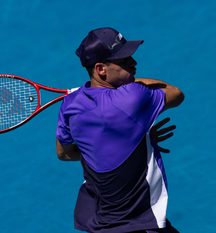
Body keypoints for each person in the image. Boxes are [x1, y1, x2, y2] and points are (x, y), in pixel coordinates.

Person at [56, 27, 184, 233]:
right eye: (124, 61)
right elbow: (175, 94)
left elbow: (64, 153)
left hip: (101, 225)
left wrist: (134, 142)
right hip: (140, 225)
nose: (134, 64)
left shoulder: (70, 105)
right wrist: (136, 83)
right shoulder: (133, 97)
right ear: (101, 69)